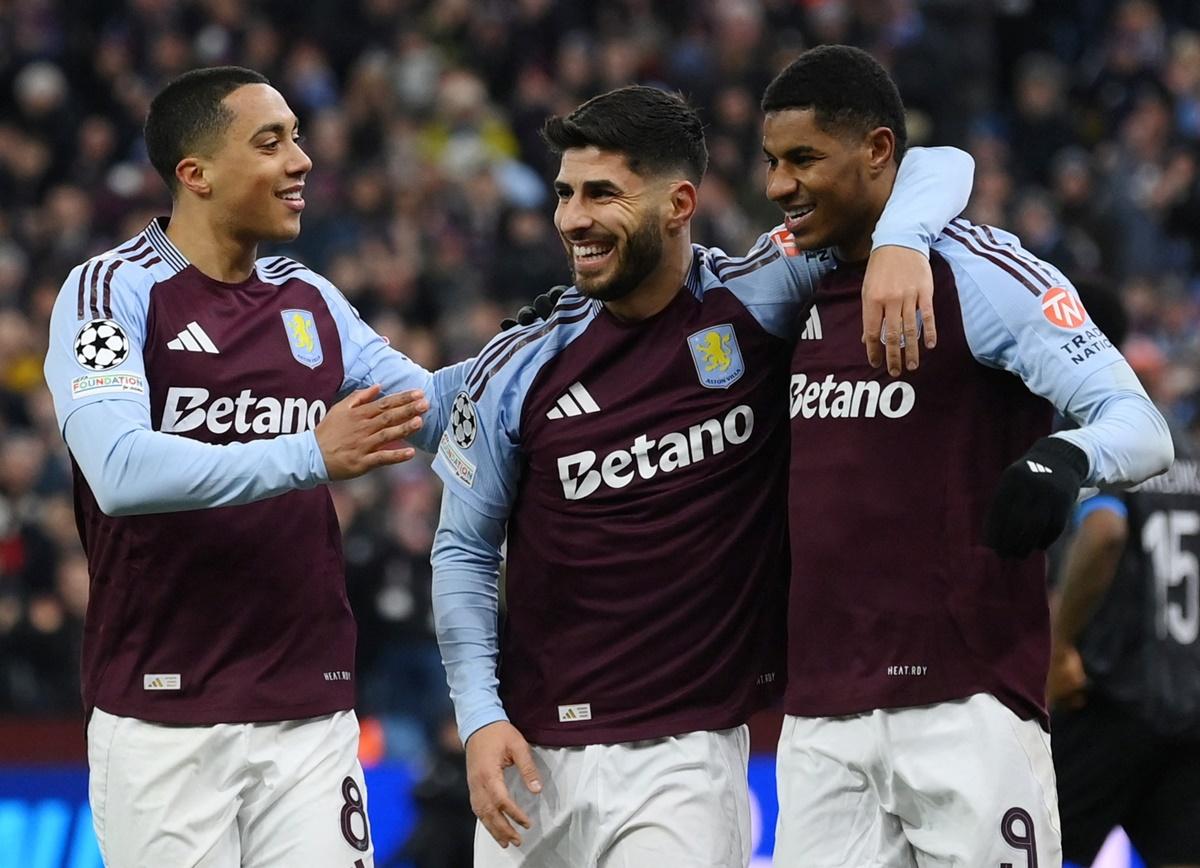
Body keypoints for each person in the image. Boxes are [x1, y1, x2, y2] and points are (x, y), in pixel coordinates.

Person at [430, 84, 973, 866]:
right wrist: (480, 719)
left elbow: (940, 165)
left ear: (678, 202)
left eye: (601, 194)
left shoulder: (757, 295)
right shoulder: (520, 363)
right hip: (531, 761)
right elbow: (463, 552)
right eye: (564, 194)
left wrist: (901, 242)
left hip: (685, 757)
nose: (570, 219)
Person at [42, 66, 465, 867]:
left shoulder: (307, 299)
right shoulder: (111, 291)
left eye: (298, 138)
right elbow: (122, 470)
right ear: (194, 175)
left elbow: (440, 409)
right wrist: (310, 452)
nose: (300, 160)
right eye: (270, 143)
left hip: (311, 706)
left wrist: (561, 352)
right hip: (164, 716)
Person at [766, 45, 1174, 866]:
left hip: (966, 700)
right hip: (817, 715)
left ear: (878, 152)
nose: (779, 185)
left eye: (804, 159)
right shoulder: (789, 282)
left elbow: (1140, 424)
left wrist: (1063, 460)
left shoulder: (984, 274)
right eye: (772, 162)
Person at [1048, 349, 1200, 868]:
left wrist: (1062, 643)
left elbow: (1105, 529)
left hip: (1108, 695)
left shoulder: (1114, 440)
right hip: (1185, 702)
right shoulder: (1188, 453)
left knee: (1051, 851)